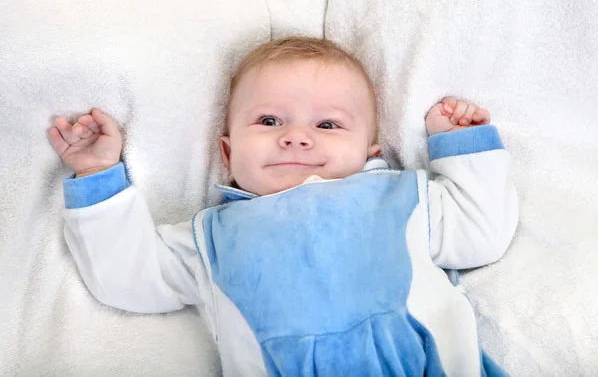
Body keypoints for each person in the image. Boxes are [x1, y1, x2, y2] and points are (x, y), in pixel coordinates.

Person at [49, 36, 518, 376]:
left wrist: (461, 146)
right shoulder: (211, 237)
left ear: (371, 152)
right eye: (269, 120)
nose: (296, 135)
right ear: (229, 155)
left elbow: (481, 233)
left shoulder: (402, 198)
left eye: (329, 124)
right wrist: (98, 178)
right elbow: (130, 278)